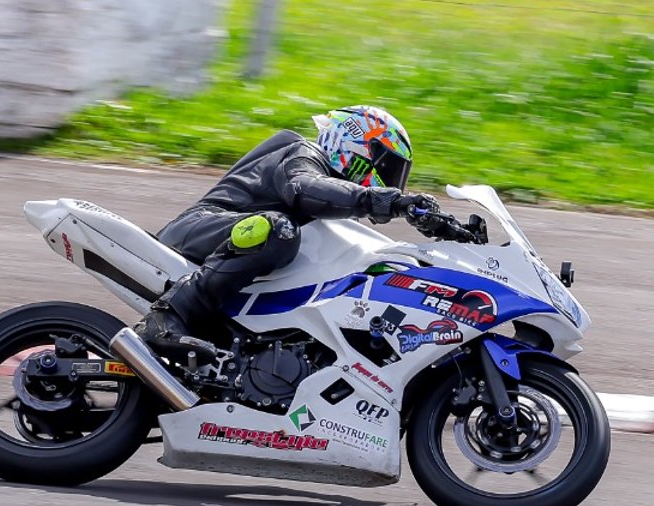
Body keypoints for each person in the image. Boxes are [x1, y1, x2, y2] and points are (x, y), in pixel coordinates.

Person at [133, 105, 437, 353]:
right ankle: (166, 317)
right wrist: (388, 201)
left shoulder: (335, 209)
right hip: (199, 229)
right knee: (279, 229)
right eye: (387, 169)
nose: (389, 181)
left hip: (232, 250)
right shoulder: (300, 153)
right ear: (356, 144)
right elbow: (305, 187)